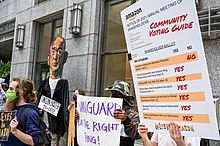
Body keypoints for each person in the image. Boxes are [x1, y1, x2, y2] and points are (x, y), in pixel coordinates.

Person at [37, 35, 69, 146]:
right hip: (43, 125)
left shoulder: (63, 84)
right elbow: (38, 100)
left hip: (55, 126)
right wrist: (39, 109)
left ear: (64, 58)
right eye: (53, 51)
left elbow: (64, 106)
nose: (55, 57)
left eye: (59, 52)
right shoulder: (44, 83)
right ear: (48, 58)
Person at [1, 76, 40, 146]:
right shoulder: (12, 109)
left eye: (11, 89)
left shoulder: (30, 113)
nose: (8, 91)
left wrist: (15, 131)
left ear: (21, 92)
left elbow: (32, 141)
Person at [105, 80, 140, 146]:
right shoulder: (105, 110)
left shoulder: (131, 113)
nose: (113, 96)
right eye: (113, 93)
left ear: (124, 96)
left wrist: (126, 120)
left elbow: (137, 135)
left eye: (117, 94)